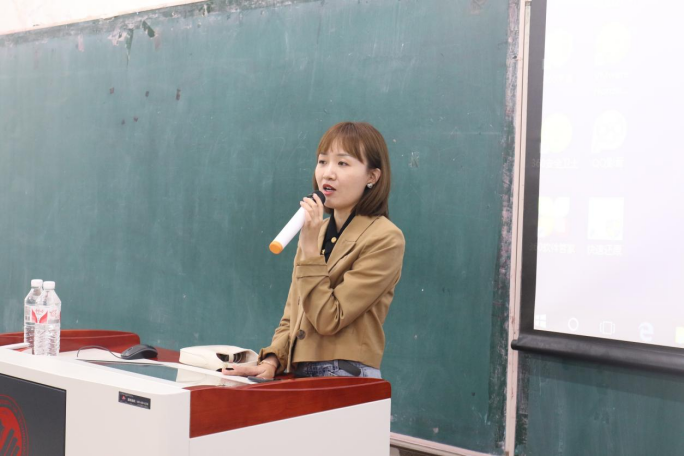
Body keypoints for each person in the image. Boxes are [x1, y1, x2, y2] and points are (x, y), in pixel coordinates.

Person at [226, 121, 405, 379]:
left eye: (342, 163)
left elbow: (328, 319)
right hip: (300, 372)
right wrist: (273, 360)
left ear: (372, 177)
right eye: (322, 161)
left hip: (345, 375)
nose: (327, 174)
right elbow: (294, 312)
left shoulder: (385, 238)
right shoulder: (315, 231)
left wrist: (309, 249)